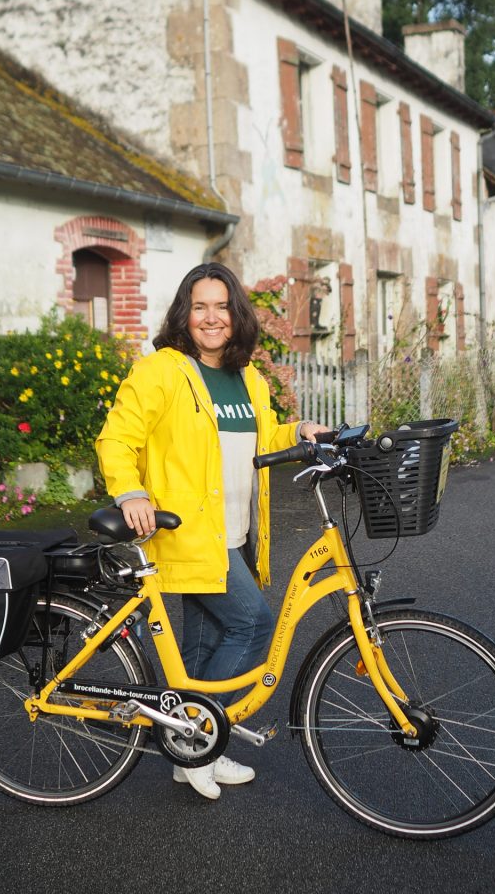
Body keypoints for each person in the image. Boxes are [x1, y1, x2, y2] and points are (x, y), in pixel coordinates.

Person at [96, 261, 329, 801]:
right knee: (252, 623)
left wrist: (301, 430)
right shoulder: (163, 371)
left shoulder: (247, 377)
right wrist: (130, 492)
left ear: (236, 313)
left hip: (236, 534)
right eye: (199, 306)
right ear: (184, 312)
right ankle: (196, 742)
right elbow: (117, 437)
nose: (211, 317)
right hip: (187, 535)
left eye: (221, 306)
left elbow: (263, 437)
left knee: (200, 650)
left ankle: (196, 749)